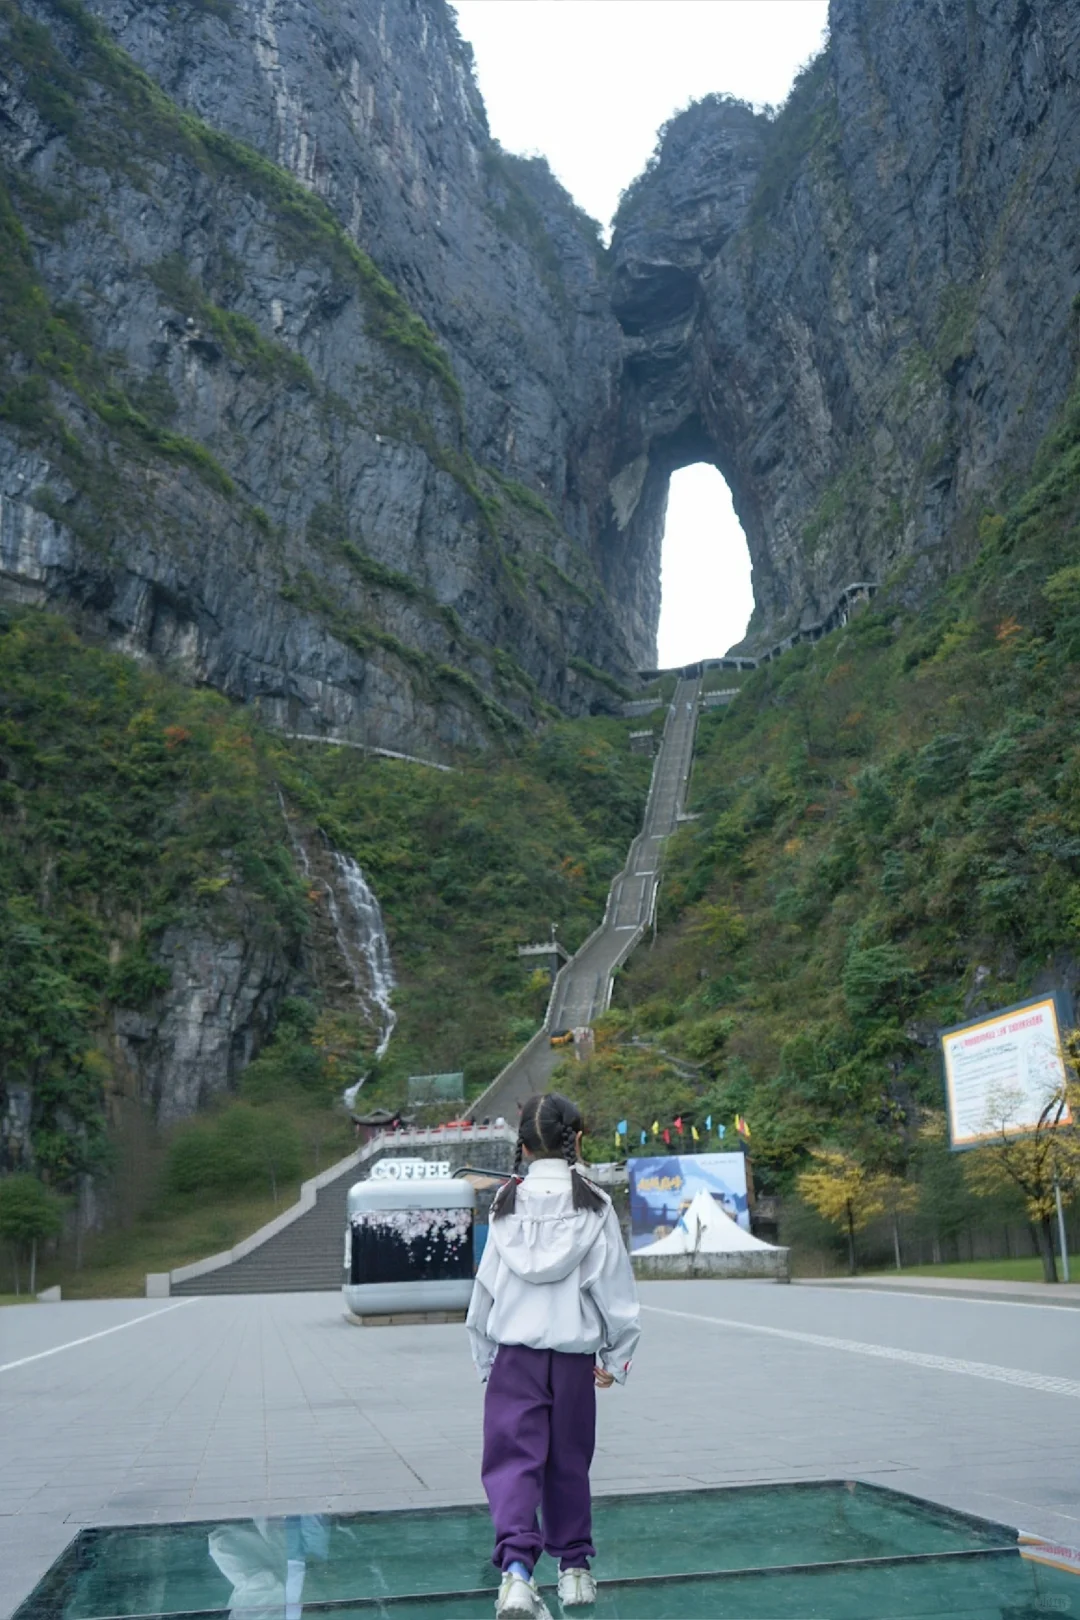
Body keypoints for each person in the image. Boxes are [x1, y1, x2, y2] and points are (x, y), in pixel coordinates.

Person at [467, 1092, 640, 1618]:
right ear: (577, 1140)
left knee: (513, 1466)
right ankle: (575, 1574)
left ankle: (517, 1576)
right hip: (572, 1361)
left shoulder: (503, 1205)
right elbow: (616, 1292)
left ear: (521, 1146)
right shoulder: (594, 1204)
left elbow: (484, 1293)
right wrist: (615, 1358)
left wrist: (484, 1359)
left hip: (514, 1358)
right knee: (568, 1462)